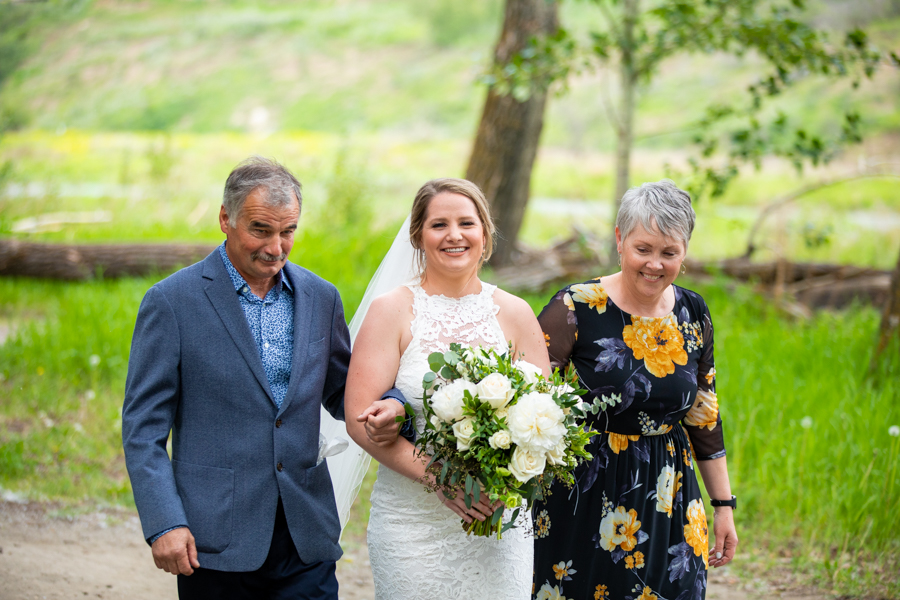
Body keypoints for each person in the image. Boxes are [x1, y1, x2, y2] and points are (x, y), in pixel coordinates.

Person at [121, 156, 406, 600]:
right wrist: (165, 522)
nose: (276, 246)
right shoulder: (171, 303)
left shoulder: (320, 297)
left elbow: (345, 390)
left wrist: (392, 402)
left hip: (305, 533)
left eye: (288, 231)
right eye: (261, 230)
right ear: (225, 219)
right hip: (214, 539)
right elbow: (143, 431)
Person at [342, 178, 551, 600]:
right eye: (439, 224)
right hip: (412, 524)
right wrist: (443, 479)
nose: (454, 235)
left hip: (497, 520)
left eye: (466, 223)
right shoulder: (392, 311)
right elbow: (357, 417)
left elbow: (546, 420)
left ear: (485, 233)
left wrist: (504, 482)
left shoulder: (515, 312)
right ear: (418, 235)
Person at [532, 180, 738, 600]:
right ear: (620, 239)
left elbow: (703, 413)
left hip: (670, 492)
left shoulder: (693, 310)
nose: (655, 264)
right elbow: (531, 403)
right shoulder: (575, 306)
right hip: (584, 493)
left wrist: (723, 506)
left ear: (685, 250)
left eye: (669, 252)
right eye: (643, 249)